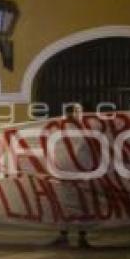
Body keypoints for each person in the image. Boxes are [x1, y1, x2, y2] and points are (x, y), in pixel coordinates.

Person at [49, 103, 91, 249]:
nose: (72, 115)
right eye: (70, 113)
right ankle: (65, 236)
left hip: (78, 176)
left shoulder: (84, 131)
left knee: (81, 207)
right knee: (64, 206)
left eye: (75, 112)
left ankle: (81, 237)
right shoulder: (61, 130)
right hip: (65, 175)